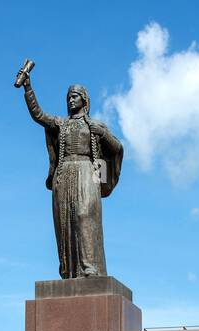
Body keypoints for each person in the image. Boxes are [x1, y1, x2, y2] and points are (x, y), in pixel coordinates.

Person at [20, 77, 124, 279]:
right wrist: (28, 88)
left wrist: (103, 134)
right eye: (68, 97)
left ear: (84, 100)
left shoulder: (95, 125)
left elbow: (117, 149)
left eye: (75, 96)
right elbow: (39, 115)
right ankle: (68, 270)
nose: (70, 100)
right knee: (65, 221)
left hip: (88, 173)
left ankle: (89, 267)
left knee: (85, 216)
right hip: (64, 174)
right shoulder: (60, 124)